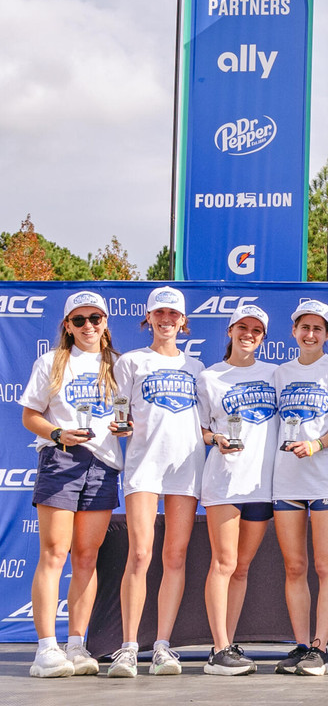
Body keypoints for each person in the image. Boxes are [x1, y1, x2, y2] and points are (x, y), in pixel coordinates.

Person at [21, 291, 123, 678]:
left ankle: (77, 644)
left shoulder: (117, 364)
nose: (88, 327)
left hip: (104, 462)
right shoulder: (51, 362)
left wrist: (124, 428)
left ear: (105, 323)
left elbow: (128, 414)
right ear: (67, 326)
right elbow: (31, 416)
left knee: (86, 557)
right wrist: (59, 432)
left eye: (95, 318)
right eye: (78, 320)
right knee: (54, 553)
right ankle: (46, 649)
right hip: (61, 459)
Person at [110, 286, 204, 677]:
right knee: (140, 555)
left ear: (183, 322)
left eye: (173, 315)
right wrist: (118, 425)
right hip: (144, 466)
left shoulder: (198, 368)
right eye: (159, 314)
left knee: (175, 557)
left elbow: (205, 423)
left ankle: (163, 646)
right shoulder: (131, 361)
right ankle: (129, 647)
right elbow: (117, 413)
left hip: (186, 466)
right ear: (148, 318)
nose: (166, 320)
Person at [270, 300, 328, 676]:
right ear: (293, 331)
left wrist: (316, 445)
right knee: (294, 566)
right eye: (304, 327)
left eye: (318, 329)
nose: (310, 334)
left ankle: (321, 647)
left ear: (327, 335)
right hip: (285, 480)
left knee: (324, 564)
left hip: (323, 477)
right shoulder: (279, 374)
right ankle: (302, 643)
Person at [197, 304, 278, 675]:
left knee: (242, 567)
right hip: (225, 481)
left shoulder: (276, 374)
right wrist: (215, 438)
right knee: (224, 562)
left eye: (257, 330)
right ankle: (218, 648)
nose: (249, 334)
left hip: (262, 486)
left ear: (264, 337)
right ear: (230, 331)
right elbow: (197, 428)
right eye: (242, 327)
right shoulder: (210, 376)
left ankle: (228, 642)